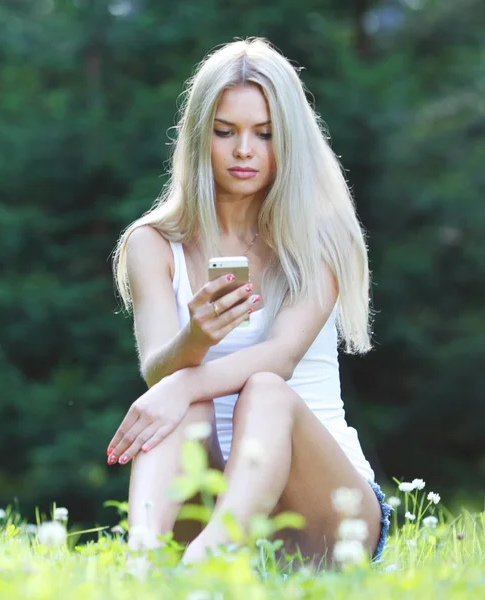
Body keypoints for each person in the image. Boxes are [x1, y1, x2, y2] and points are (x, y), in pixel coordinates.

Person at [108, 37, 391, 568]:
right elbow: (155, 372)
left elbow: (281, 358)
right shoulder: (152, 244)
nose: (244, 150)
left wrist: (183, 379)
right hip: (209, 488)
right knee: (179, 398)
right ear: (198, 138)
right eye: (225, 132)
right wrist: (194, 340)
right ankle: (140, 562)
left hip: (327, 514)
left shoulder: (321, 236)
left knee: (264, 390)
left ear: (290, 140)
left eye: (265, 134)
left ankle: (212, 558)